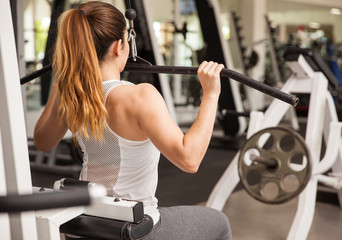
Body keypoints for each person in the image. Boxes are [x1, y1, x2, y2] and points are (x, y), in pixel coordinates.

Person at [33, 1, 232, 239]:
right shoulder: (139, 96)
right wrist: (211, 94)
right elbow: (190, 160)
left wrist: (60, 80)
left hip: (83, 227)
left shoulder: (73, 94)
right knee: (219, 223)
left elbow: (42, 142)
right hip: (131, 229)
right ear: (119, 46)